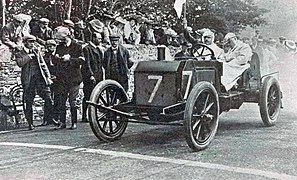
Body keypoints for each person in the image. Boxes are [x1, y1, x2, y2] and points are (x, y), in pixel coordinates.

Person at [15, 35, 55, 129]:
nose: (32, 44)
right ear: (25, 42)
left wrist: (48, 76)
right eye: (30, 42)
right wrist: (28, 56)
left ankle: (51, 118)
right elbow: (20, 63)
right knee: (29, 102)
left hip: (39, 78)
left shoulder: (36, 51)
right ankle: (30, 123)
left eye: (33, 42)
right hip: (28, 80)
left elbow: (43, 64)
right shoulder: (20, 52)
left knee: (48, 98)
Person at [52, 27, 84, 129]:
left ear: (67, 36)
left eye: (62, 38)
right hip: (62, 79)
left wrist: (70, 59)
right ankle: (63, 122)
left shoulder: (77, 46)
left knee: (72, 101)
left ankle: (74, 122)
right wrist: (56, 58)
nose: (61, 41)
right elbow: (55, 62)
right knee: (62, 100)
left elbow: (82, 60)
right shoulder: (59, 47)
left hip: (74, 78)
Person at [81, 32, 104, 122]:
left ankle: (93, 115)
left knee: (96, 96)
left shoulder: (98, 49)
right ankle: (84, 116)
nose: (100, 40)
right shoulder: (86, 49)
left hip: (98, 76)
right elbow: (87, 64)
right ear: (93, 38)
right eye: (99, 38)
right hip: (90, 77)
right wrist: (90, 75)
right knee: (88, 96)